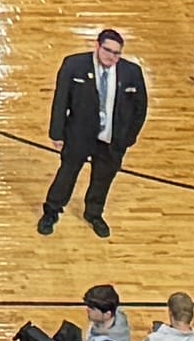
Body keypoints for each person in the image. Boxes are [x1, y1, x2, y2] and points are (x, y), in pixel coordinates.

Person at [38, 30, 147, 236]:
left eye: (117, 53)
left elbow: (140, 107)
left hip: (112, 139)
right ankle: (51, 211)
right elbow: (61, 101)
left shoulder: (131, 72)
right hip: (79, 135)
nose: (112, 57)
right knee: (67, 174)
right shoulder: (74, 65)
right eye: (108, 51)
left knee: (103, 178)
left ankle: (94, 213)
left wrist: (128, 137)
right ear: (97, 46)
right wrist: (57, 134)